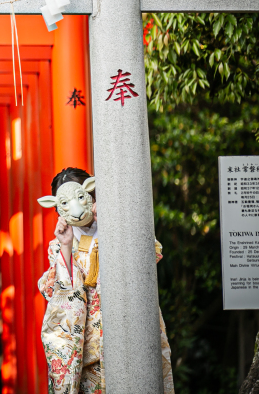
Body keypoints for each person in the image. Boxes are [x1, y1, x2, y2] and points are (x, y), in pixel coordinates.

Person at [36, 167, 174, 394]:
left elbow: (152, 255)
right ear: (58, 208)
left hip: (131, 324)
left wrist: (113, 225)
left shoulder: (118, 225)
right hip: (90, 344)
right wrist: (66, 245)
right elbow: (61, 295)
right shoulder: (59, 246)